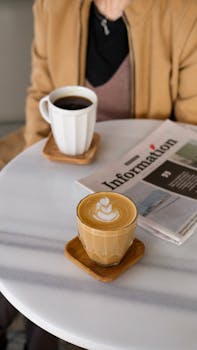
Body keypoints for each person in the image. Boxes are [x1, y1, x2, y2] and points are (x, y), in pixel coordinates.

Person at [0, 0, 197, 349]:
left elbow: (190, 129)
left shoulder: (184, 11)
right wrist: (37, 174)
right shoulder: (51, 6)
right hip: (57, 162)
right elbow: (39, 98)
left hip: (136, 177)